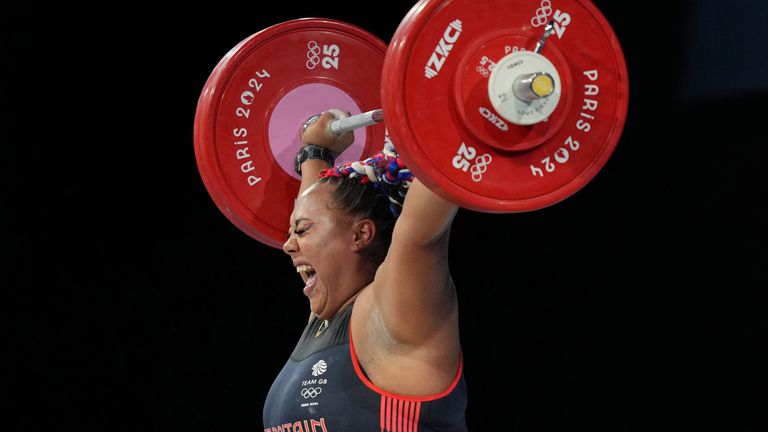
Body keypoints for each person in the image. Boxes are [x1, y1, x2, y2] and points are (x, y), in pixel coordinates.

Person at [263, 110, 467, 431]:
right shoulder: (324, 320)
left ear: (360, 235)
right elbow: (317, 204)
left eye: (301, 231)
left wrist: (465, 113)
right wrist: (315, 152)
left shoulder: (396, 311)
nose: (288, 245)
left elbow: (421, 230)